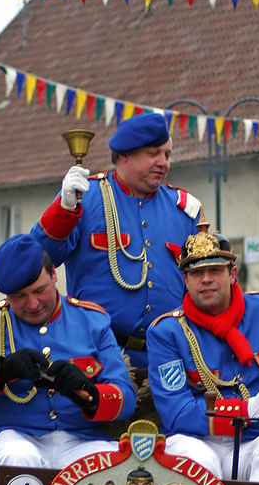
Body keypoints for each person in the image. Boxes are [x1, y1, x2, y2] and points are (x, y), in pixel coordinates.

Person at [0, 234, 136, 476]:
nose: (33, 303)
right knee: (19, 461)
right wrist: (0, 371)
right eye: (19, 296)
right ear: (5, 294)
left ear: (54, 275)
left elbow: (126, 398)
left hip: (82, 440)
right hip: (12, 437)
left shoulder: (93, 320)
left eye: (40, 290)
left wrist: (90, 395)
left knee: (108, 469)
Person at [146, 227, 259, 483]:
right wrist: (246, 409)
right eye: (196, 273)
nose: (206, 279)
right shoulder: (166, 331)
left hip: (253, 440)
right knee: (198, 461)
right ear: (185, 281)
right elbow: (177, 412)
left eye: (215, 270)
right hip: (194, 441)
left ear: (232, 274)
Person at [30, 113, 203, 368]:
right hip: (99, 355)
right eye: (154, 153)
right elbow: (39, 261)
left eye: (166, 155)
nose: (163, 163)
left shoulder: (185, 209)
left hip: (168, 356)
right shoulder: (86, 198)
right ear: (123, 154)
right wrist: (64, 208)